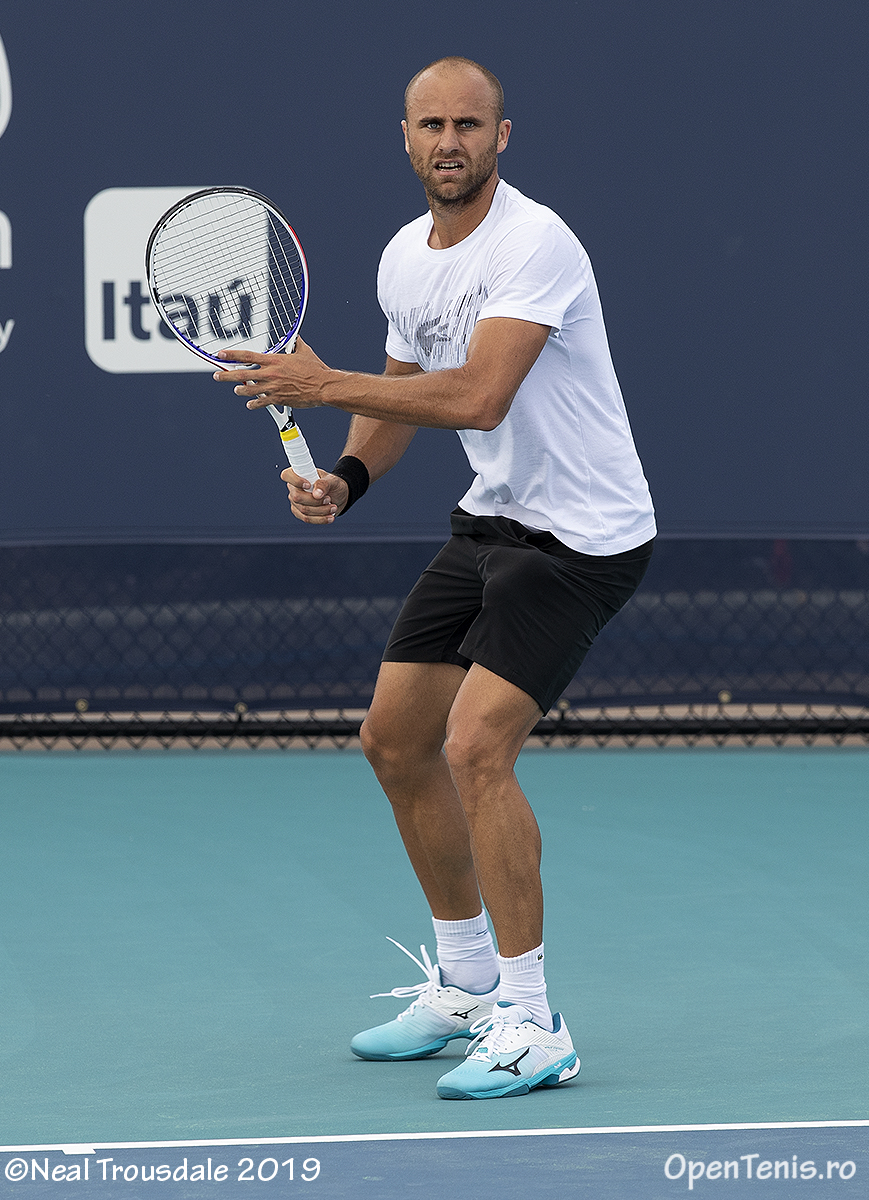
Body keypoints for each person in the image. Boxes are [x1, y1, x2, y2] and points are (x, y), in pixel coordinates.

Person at [214, 56, 656, 1100]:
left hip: (583, 537)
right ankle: (464, 983)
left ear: (502, 137)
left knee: (474, 746)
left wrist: (320, 381)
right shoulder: (403, 258)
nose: (447, 141)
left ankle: (532, 1021)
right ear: (404, 139)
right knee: (394, 738)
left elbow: (478, 397)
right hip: (490, 521)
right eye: (429, 124)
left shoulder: (536, 242)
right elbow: (404, 391)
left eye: (467, 124)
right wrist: (348, 477)